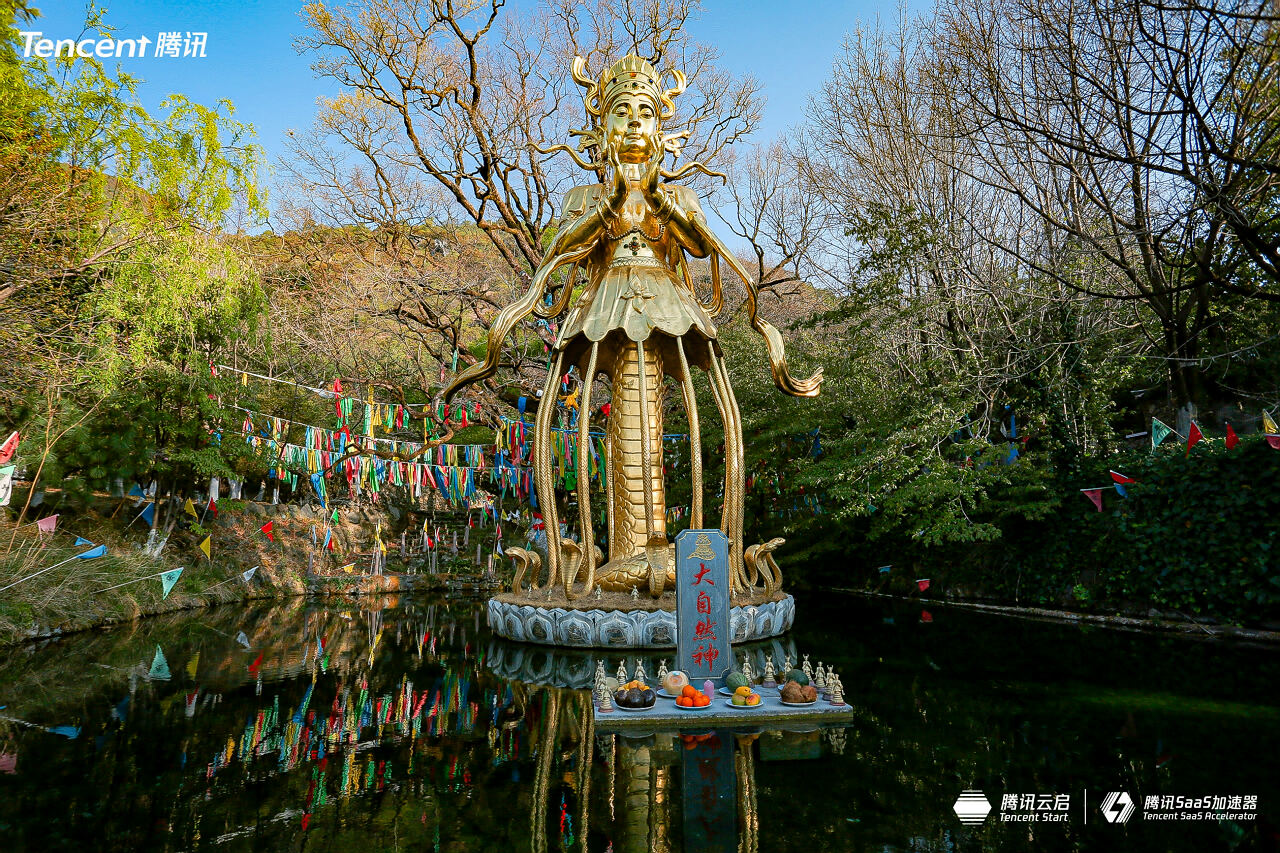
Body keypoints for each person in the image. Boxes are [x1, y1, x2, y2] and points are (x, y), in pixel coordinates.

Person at [445, 55, 820, 599]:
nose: (636, 123)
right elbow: (564, 247)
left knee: (671, 427)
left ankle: (672, 560)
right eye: (622, 113)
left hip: (664, 308)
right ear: (602, 130)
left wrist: (663, 203)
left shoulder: (676, 200)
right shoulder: (586, 198)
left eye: (648, 112)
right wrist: (610, 206)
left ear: (662, 131)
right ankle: (619, 564)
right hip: (608, 310)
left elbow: (698, 244)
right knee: (622, 430)